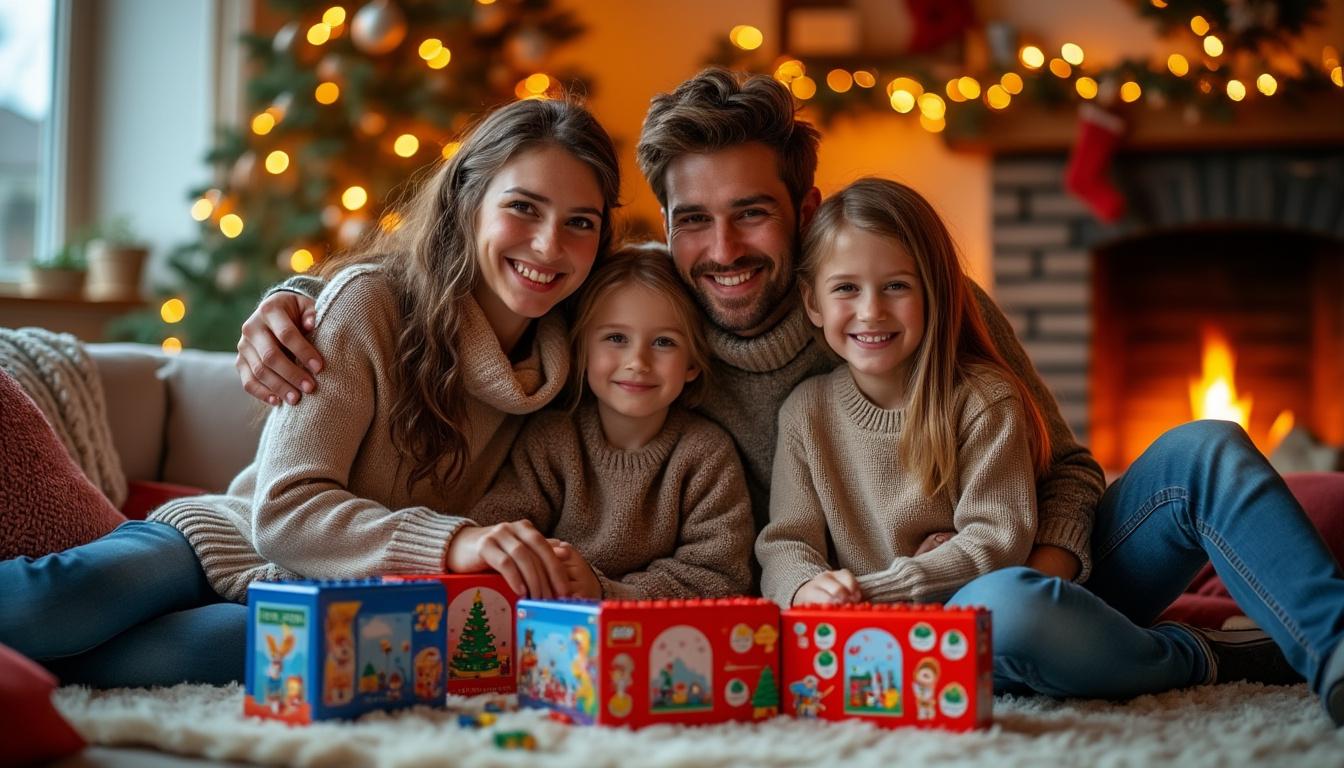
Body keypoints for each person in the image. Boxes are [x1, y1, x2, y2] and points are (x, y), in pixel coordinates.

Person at [232, 68, 1344, 725]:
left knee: (1203, 452)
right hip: (887, 618)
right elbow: (476, 281)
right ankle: (1206, 650)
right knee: (1010, 623)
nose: (721, 250)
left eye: (752, 214)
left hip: (1018, 576)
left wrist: (1049, 570)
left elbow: (1068, 467)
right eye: (693, 221)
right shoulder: (634, 317)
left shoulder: (899, 297)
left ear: (804, 209)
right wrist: (297, 297)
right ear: (660, 229)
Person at [0, 96, 622, 688]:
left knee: (231, 652)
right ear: (468, 199)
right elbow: (284, 513)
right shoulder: (371, 305)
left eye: (581, 222)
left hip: (330, 602)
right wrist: (455, 541)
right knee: (52, 608)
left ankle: (33, 670)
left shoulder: (588, 367)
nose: (549, 245)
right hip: (230, 541)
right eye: (523, 207)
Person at [756, 177, 1051, 608]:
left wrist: (872, 592)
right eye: (846, 288)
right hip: (856, 629)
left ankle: (1160, 642)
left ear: (933, 294)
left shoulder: (983, 400)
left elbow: (997, 538)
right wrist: (805, 588)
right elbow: (786, 543)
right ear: (813, 303)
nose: (871, 311)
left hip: (971, 618)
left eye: (896, 286)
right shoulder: (805, 412)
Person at [470, 242, 753, 599]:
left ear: (693, 363)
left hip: (665, 631)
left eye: (664, 342)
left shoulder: (706, 454)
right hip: (553, 621)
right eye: (616, 338)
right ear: (582, 351)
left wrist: (611, 592)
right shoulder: (551, 440)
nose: (638, 362)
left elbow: (721, 576)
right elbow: (499, 533)